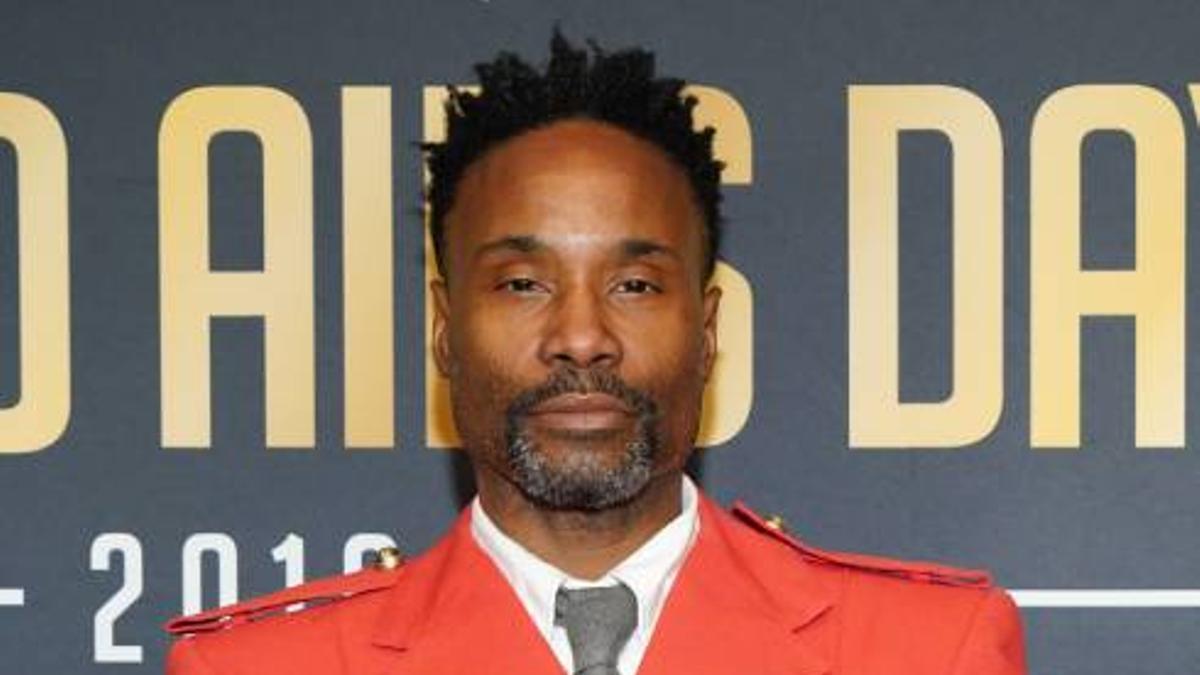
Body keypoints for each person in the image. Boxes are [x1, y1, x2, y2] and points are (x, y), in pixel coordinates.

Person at [164, 32, 1027, 675]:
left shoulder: (927, 650)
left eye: (635, 284)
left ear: (708, 330)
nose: (582, 336)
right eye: (522, 283)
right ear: (444, 329)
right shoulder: (264, 666)